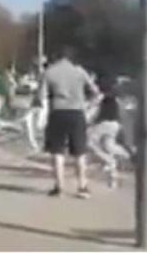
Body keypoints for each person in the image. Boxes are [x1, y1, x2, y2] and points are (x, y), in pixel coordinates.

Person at [40, 46, 97, 199]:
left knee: (57, 151)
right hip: (77, 112)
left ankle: (59, 187)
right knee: (79, 151)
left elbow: (41, 97)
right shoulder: (80, 71)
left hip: (57, 112)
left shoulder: (49, 72)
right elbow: (95, 92)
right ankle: (82, 187)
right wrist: (87, 104)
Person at [89, 80, 129, 188]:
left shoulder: (102, 97)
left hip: (105, 123)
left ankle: (109, 160)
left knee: (89, 142)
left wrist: (90, 121)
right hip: (115, 124)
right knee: (108, 145)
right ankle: (126, 155)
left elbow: (93, 109)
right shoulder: (115, 99)